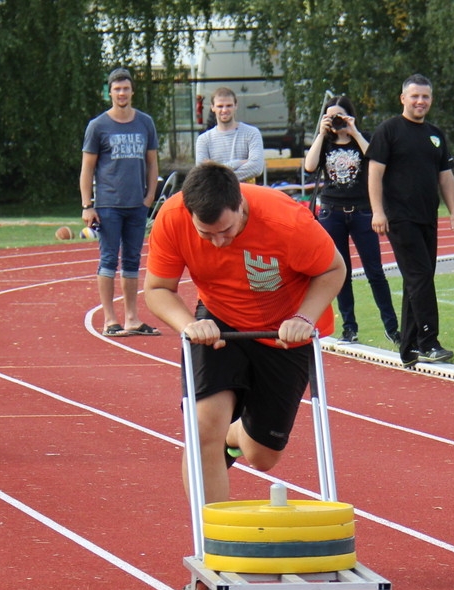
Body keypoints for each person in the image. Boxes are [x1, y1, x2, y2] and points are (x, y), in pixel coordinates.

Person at [143, 163, 345, 504]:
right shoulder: (172, 218)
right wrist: (188, 326)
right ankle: (215, 542)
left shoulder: (287, 221)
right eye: (206, 234)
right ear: (188, 213)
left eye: (226, 230)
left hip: (284, 331)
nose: (219, 242)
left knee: (262, 456)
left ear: (240, 203)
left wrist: (304, 318)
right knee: (203, 427)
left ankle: (234, 434)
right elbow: (158, 289)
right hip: (219, 323)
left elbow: (333, 268)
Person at [368, 74, 454, 367]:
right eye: (415, 96)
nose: (420, 101)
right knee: (420, 277)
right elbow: (374, 173)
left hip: (427, 217)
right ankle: (429, 341)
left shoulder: (435, 134)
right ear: (403, 99)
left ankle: (407, 347)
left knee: (417, 279)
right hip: (400, 217)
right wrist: (378, 211)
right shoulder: (389, 130)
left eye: (425, 97)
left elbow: (445, 176)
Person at [301, 95, 399, 345]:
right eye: (330, 115)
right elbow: (310, 167)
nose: (336, 121)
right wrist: (322, 134)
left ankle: (392, 326)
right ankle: (349, 327)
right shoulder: (324, 141)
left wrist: (353, 131)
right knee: (341, 272)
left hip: (362, 211)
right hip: (331, 212)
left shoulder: (362, 138)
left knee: (375, 271)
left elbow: (376, 157)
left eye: (340, 115)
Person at [81, 67, 160, 337]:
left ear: (132, 91)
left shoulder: (145, 123)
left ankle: (132, 318)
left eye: (126, 88)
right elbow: (87, 168)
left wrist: (149, 196)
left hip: (137, 205)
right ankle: (109, 320)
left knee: (132, 261)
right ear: (110, 92)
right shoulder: (98, 126)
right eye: (117, 89)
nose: (122, 93)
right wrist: (87, 205)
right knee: (107, 261)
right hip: (108, 206)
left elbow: (152, 162)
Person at [194, 87, 265, 182]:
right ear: (212, 107)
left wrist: (218, 170)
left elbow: (256, 168)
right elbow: (203, 175)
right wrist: (238, 163)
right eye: (220, 106)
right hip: (216, 195)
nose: (224, 110)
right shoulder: (203, 140)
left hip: (247, 194)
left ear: (236, 106)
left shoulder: (251, 133)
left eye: (229, 105)